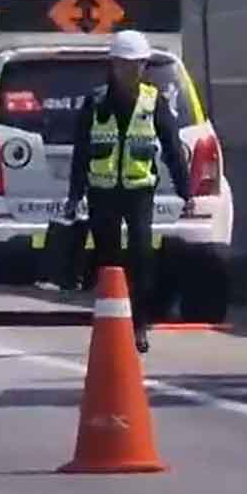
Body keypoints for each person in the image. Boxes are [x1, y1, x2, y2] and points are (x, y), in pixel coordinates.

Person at [63, 30, 197, 354]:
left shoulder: (154, 103)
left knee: (141, 256)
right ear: (113, 66)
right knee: (108, 261)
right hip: (102, 193)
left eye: (137, 65)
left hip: (138, 193)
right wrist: (74, 195)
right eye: (125, 65)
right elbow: (81, 152)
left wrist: (185, 192)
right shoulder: (95, 103)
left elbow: (172, 150)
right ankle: (111, 325)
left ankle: (139, 325)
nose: (131, 72)